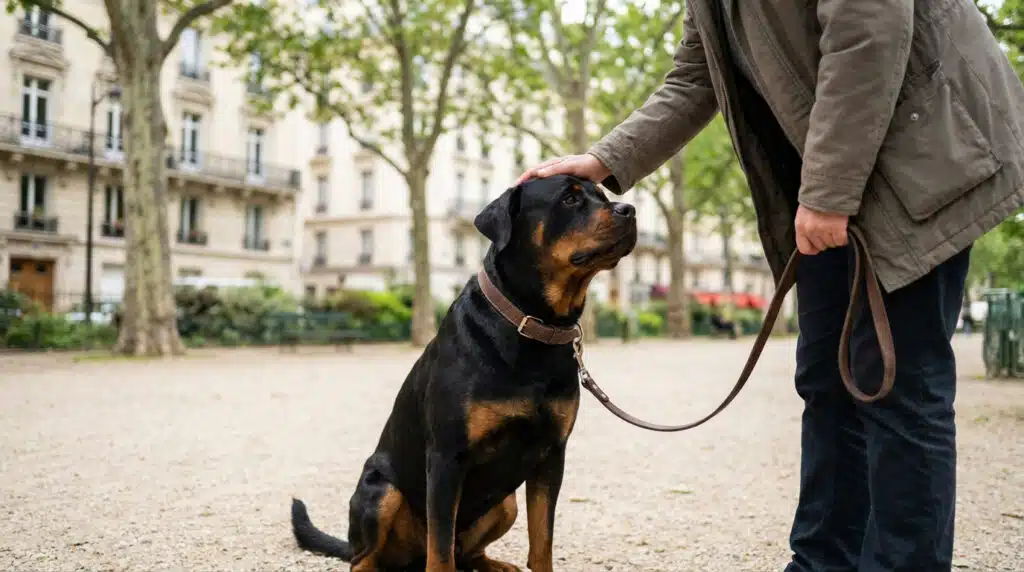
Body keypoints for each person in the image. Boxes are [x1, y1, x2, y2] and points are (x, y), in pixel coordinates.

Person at [516, 2, 1024, 571]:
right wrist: (604, 160)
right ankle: (821, 562)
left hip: (921, 147)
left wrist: (829, 193)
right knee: (826, 380)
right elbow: (696, 74)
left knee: (895, 383)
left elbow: (869, 32)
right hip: (830, 174)